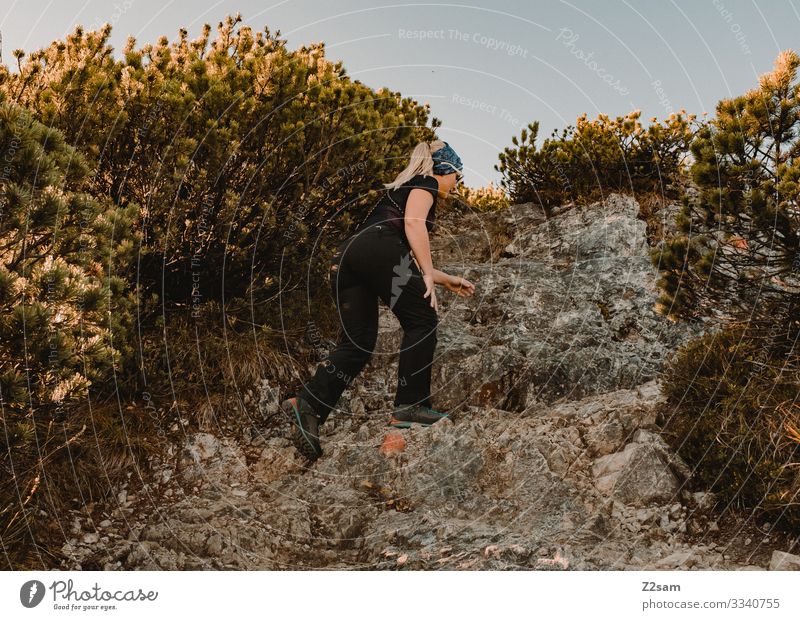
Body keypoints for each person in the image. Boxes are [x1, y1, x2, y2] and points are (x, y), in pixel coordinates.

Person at [281, 139, 476, 462]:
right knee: (422, 320)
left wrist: (445, 278)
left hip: (348, 257)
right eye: (458, 176)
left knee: (358, 343)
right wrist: (428, 275)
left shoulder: (401, 192)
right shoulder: (425, 182)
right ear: (446, 169)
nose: (457, 184)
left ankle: (310, 404)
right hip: (377, 250)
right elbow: (413, 227)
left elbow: (393, 256)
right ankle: (412, 404)